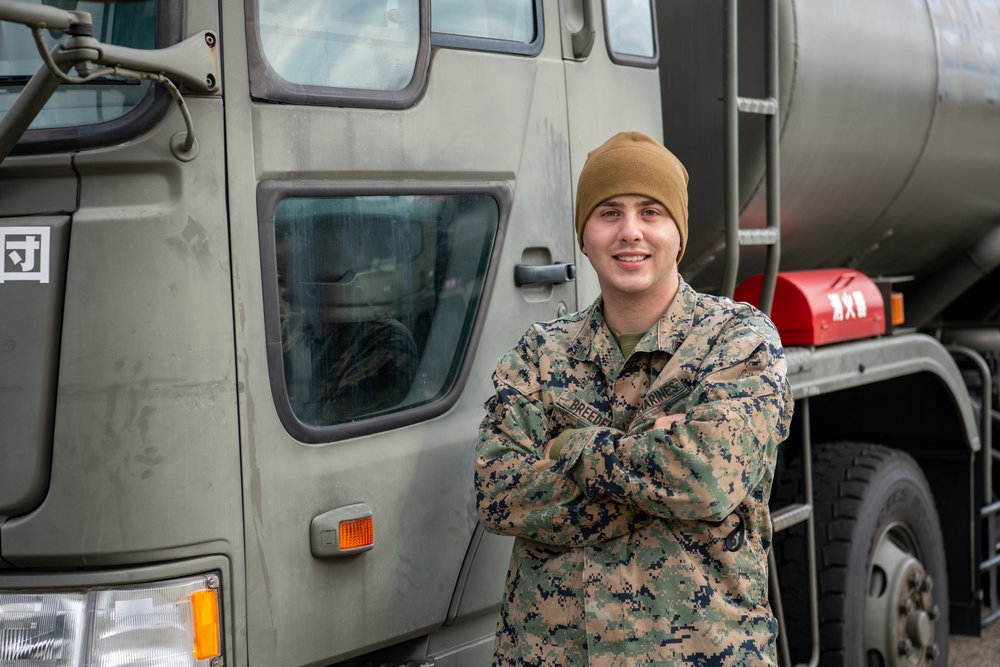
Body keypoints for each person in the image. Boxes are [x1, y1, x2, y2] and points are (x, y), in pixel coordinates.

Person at [475, 131, 794, 666]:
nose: (630, 232)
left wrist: (572, 447)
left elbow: (706, 478)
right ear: (584, 235)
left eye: (651, 212)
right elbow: (496, 491)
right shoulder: (540, 353)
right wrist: (655, 476)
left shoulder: (738, 340)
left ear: (678, 233)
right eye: (608, 213)